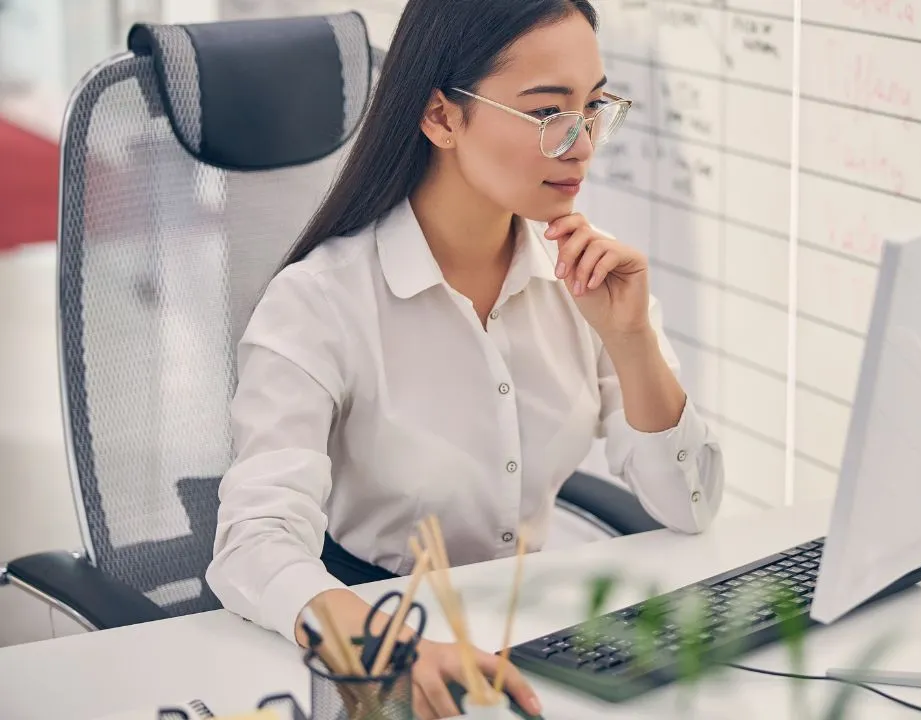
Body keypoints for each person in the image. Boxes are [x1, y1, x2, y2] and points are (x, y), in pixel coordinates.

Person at [205, 0, 725, 717]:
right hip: (380, 658)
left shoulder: (585, 275)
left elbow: (688, 505)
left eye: (594, 105)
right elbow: (252, 544)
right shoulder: (319, 303)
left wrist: (631, 339)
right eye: (548, 112)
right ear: (442, 117)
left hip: (536, 645)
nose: (581, 144)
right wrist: (388, 648)